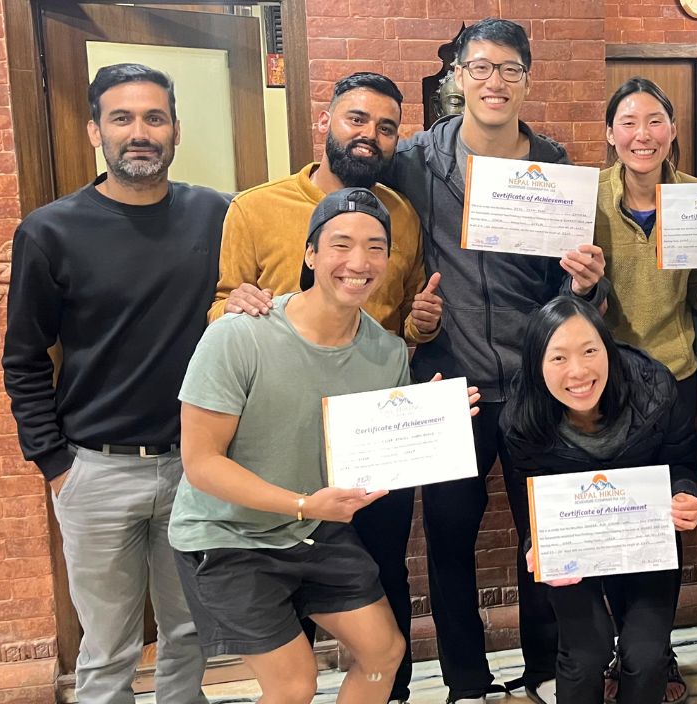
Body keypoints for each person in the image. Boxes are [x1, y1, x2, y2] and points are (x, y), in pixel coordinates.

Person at [171, 188, 480, 704]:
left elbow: (372, 454)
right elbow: (201, 464)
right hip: (227, 535)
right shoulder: (238, 336)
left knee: (383, 652)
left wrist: (423, 422)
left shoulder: (386, 353)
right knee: (294, 684)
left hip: (312, 530)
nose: (358, 262)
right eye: (341, 244)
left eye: (376, 247)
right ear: (310, 254)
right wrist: (301, 504)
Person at [385, 17, 608, 704]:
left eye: (509, 69)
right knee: (448, 538)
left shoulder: (554, 165)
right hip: (452, 386)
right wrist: (411, 327)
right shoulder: (416, 161)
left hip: (536, 385)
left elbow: (565, 290)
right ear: (456, 75)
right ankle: (467, 684)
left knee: (547, 532)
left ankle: (543, 670)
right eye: (480, 67)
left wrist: (585, 282)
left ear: (527, 80)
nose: (494, 82)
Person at [207, 71, 437, 704]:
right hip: (282, 445)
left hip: (369, 441)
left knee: (383, 575)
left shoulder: (401, 216)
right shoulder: (254, 208)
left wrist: (420, 327)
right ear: (326, 123)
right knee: (293, 606)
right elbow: (220, 309)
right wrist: (236, 305)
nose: (370, 136)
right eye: (356, 120)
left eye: (386, 127)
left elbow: (396, 323)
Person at [2, 63, 223, 704]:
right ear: (94, 128)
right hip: (94, 472)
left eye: (154, 118)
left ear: (176, 129)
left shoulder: (215, 214)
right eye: (122, 118)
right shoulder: (50, 231)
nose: (140, 133)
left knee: (189, 632)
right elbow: (23, 358)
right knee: (106, 650)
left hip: (195, 468)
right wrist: (54, 463)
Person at [499, 297, 697, 704]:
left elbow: (681, 460)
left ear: (608, 349)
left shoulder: (656, 388)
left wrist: (686, 493)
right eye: (558, 358)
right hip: (575, 551)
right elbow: (533, 513)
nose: (578, 371)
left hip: (645, 541)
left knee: (646, 656)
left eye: (590, 351)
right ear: (537, 367)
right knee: (584, 654)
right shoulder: (521, 421)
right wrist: (535, 547)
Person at [592, 76, 697, 702]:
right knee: (616, 514)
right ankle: (620, 648)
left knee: (666, 514)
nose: (642, 135)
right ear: (611, 133)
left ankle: (655, 650)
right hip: (602, 385)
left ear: (672, 131)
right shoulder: (585, 198)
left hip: (673, 377)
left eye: (655, 121)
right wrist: (584, 283)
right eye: (629, 122)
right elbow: (565, 305)